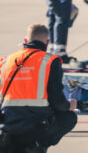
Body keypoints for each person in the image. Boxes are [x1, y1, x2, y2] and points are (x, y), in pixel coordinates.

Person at [0, 24, 77, 152]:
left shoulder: (5, 61)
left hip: (9, 123)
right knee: (69, 117)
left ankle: (10, 142)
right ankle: (37, 145)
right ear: (47, 42)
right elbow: (57, 100)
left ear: (25, 41)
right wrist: (69, 105)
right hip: (36, 124)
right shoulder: (51, 61)